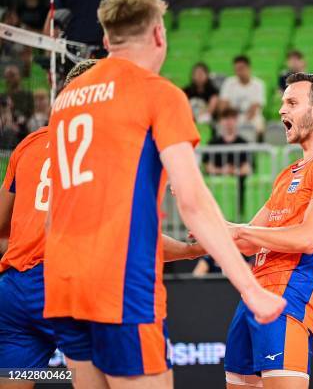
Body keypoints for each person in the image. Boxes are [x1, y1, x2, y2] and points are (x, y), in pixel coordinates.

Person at [43, 0, 285, 389]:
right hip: (119, 287)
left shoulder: (67, 99)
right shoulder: (158, 93)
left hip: (63, 283)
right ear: (159, 34)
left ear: (106, 40)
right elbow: (191, 202)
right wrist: (250, 286)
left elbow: (55, 208)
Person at [0, 58, 209, 389]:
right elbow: (125, 234)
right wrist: (189, 250)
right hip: (69, 282)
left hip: (13, 290)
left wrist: (23, 246)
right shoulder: (105, 142)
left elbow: (3, 224)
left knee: (16, 379)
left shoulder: (28, 144)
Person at [224, 73, 313, 389]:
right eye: (283, 103)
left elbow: (308, 238)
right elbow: (244, 241)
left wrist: (238, 230)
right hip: (253, 298)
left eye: (292, 103)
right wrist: (204, 216)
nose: (282, 111)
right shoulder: (290, 172)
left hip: (289, 299)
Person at [219, 55, 266, 135]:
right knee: (222, 124)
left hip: (252, 117)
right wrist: (231, 119)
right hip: (232, 116)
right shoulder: (229, 83)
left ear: (248, 68)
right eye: (236, 69)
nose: (239, 72)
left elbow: (255, 107)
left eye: (241, 69)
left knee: (259, 123)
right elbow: (224, 105)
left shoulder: (258, 84)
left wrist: (242, 122)